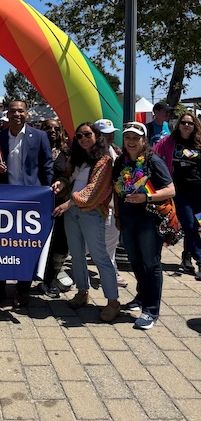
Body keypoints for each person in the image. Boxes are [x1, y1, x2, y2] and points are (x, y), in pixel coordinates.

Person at [53, 122, 120, 322]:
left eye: (87, 134)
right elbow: (67, 177)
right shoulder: (76, 158)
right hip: (73, 213)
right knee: (76, 255)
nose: (83, 139)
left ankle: (113, 302)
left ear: (97, 135)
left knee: (100, 257)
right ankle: (82, 292)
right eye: (79, 136)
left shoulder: (104, 160)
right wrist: (61, 183)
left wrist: (69, 203)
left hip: (91, 212)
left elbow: (94, 191)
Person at [0, 99, 54, 307]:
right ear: (7, 114)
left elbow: (47, 167)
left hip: (31, 201)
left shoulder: (40, 136)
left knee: (25, 247)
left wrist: (46, 194)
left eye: (21, 111)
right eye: (13, 111)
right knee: (1, 246)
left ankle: (22, 289)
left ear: (27, 114)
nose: (17, 114)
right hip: (4, 199)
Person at [114, 122, 176, 329]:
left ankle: (150, 311)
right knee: (135, 261)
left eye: (135, 138)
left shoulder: (153, 161)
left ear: (144, 140)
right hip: (128, 219)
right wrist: (117, 214)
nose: (131, 142)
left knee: (151, 263)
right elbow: (116, 189)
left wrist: (147, 198)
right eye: (128, 138)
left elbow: (170, 190)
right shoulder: (120, 162)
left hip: (150, 220)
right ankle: (141, 297)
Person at [154, 111, 201, 278]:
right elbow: (154, 154)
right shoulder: (169, 141)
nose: (187, 125)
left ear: (195, 126)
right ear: (178, 124)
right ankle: (200, 260)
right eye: (184, 123)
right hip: (180, 193)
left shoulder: (199, 143)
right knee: (189, 224)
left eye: (190, 123)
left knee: (197, 225)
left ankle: (187, 258)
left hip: (198, 193)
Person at [94, 119, 128, 289]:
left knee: (111, 240)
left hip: (114, 203)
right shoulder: (91, 154)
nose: (109, 136)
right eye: (105, 133)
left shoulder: (116, 151)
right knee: (101, 240)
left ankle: (110, 270)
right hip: (97, 204)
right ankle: (110, 271)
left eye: (111, 132)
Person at [39, 119, 70, 297]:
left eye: (56, 128)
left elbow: (69, 176)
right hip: (39, 205)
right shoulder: (35, 150)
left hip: (59, 205)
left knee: (59, 243)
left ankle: (50, 279)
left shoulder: (67, 153)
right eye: (47, 128)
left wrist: (64, 186)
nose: (52, 131)